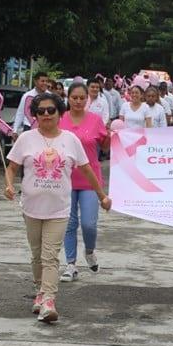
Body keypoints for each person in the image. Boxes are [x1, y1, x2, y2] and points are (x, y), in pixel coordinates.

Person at [4, 93, 111, 322]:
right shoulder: (26, 139)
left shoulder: (70, 140)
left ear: (59, 113)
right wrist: (9, 186)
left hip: (59, 209)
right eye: (40, 111)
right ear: (34, 115)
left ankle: (49, 301)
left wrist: (102, 195)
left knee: (50, 255)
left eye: (50, 110)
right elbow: (12, 167)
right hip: (31, 207)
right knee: (36, 255)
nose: (45, 114)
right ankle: (40, 291)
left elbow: (87, 169)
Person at [58, 83, 110, 282]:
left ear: (87, 99)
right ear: (68, 98)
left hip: (90, 179)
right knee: (69, 223)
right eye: (74, 98)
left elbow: (104, 146)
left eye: (82, 98)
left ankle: (89, 251)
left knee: (89, 223)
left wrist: (110, 136)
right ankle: (70, 264)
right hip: (64, 179)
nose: (78, 101)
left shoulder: (95, 120)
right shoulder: (59, 119)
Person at [12, 72, 50, 139]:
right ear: (35, 82)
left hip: (45, 128)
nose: (45, 83)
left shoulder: (50, 96)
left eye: (46, 81)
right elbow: (20, 113)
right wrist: (15, 130)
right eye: (42, 81)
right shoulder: (27, 96)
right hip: (28, 127)